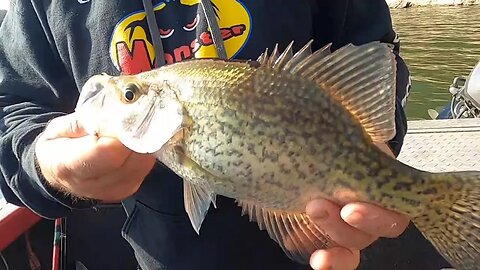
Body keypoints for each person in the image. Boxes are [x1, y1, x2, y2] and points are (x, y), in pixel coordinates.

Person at [0, 1, 451, 269]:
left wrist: (374, 160)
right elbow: (11, 109)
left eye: (131, 94)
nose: (121, 98)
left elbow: (370, 65)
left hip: (312, 248)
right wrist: (45, 165)